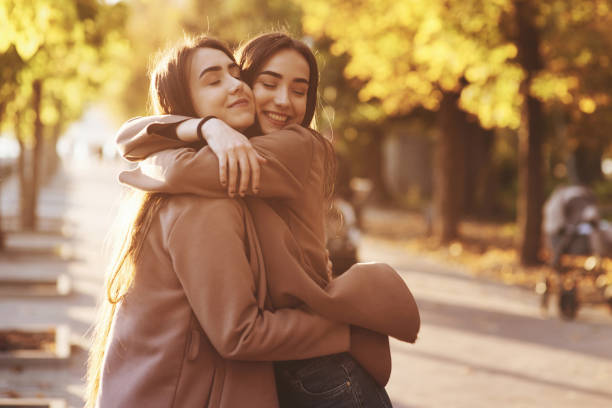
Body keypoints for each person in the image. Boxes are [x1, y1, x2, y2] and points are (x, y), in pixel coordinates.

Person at [114, 33, 420, 407]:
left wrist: (208, 127)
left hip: (318, 365)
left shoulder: (293, 146)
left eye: (299, 90)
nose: (282, 101)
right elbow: (131, 139)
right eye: (268, 83)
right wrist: (205, 127)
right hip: (284, 358)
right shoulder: (231, 154)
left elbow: (167, 166)